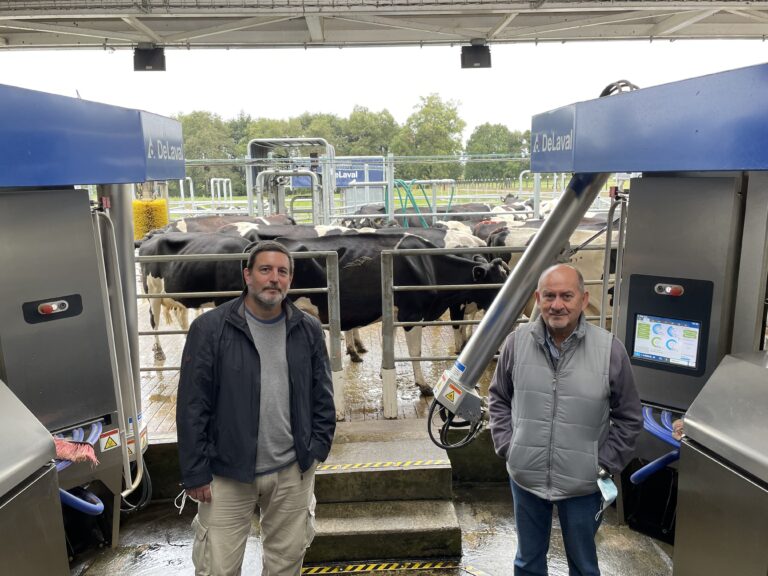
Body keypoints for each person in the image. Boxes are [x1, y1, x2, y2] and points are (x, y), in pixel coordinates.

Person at [177, 240, 336, 576]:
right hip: (226, 471)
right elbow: (193, 404)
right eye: (265, 270)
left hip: (292, 469)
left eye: (282, 272)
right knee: (216, 567)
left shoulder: (306, 329)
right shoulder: (210, 329)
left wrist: (317, 450)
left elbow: (322, 395)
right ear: (247, 275)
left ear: (290, 280)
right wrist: (195, 471)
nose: (274, 279)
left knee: (286, 562)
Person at [488, 263, 642, 576]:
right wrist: (509, 446)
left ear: (584, 300)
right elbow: (499, 399)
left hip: (583, 484)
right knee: (527, 562)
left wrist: (603, 464)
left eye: (566, 296)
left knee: (584, 565)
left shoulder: (609, 350)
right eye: (549, 296)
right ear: (537, 299)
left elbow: (628, 417)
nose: (557, 304)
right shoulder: (516, 344)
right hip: (526, 477)